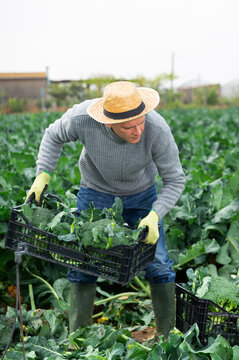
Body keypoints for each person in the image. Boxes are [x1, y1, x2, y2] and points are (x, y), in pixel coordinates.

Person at [25, 81, 185, 338]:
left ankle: (167, 337)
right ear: (108, 123)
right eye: (129, 126)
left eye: (140, 122)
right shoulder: (82, 118)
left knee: (159, 263)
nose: (138, 131)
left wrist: (154, 215)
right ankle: (80, 340)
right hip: (95, 193)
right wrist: (43, 174)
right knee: (82, 263)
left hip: (143, 196)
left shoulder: (156, 128)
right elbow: (53, 135)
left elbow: (175, 179)